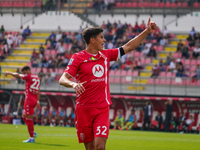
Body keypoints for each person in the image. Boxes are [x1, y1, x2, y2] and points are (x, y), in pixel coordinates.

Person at [59, 18, 157, 150]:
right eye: (101, 37)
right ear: (92, 40)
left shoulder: (106, 55)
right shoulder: (78, 57)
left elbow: (128, 47)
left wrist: (146, 31)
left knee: (100, 147)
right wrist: (73, 85)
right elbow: (63, 79)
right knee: (90, 148)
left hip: (101, 108)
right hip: (83, 109)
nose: (104, 40)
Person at [5, 66, 40, 143]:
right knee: (24, 116)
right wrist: (38, 101)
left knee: (29, 118)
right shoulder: (36, 77)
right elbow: (38, 90)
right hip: (34, 99)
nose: (24, 74)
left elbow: (18, 75)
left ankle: (31, 138)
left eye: (24, 72)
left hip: (29, 99)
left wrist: (9, 73)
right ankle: (32, 132)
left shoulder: (29, 76)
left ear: (28, 70)